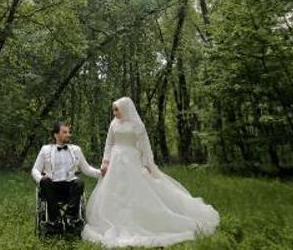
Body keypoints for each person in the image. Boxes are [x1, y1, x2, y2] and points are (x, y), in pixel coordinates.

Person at [82, 97, 220, 247]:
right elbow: (109, 143)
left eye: (117, 109)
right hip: (115, 162)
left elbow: (145, 146)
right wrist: (105, 161)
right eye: (113, 109)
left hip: (131, 160)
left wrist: (147, 163)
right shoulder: (113, 124)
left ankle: (141, 219)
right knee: (114, 192)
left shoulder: (137, 125)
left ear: (125, 108)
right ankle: (112, 221)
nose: (114, 112)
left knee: (135, 191)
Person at [31, 121, 101, 232]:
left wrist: (101, 173)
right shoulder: (45, 150)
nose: (68, 134)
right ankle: (55, 220)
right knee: (45, 181)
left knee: (79, 182)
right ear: (56, 135)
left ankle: (70, 219)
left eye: (69, 132)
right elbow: (35, 170)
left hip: (69, 186)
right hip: (52, 186)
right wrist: (40, 178)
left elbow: (86, 169)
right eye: (65, 132)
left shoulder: (76, 150)